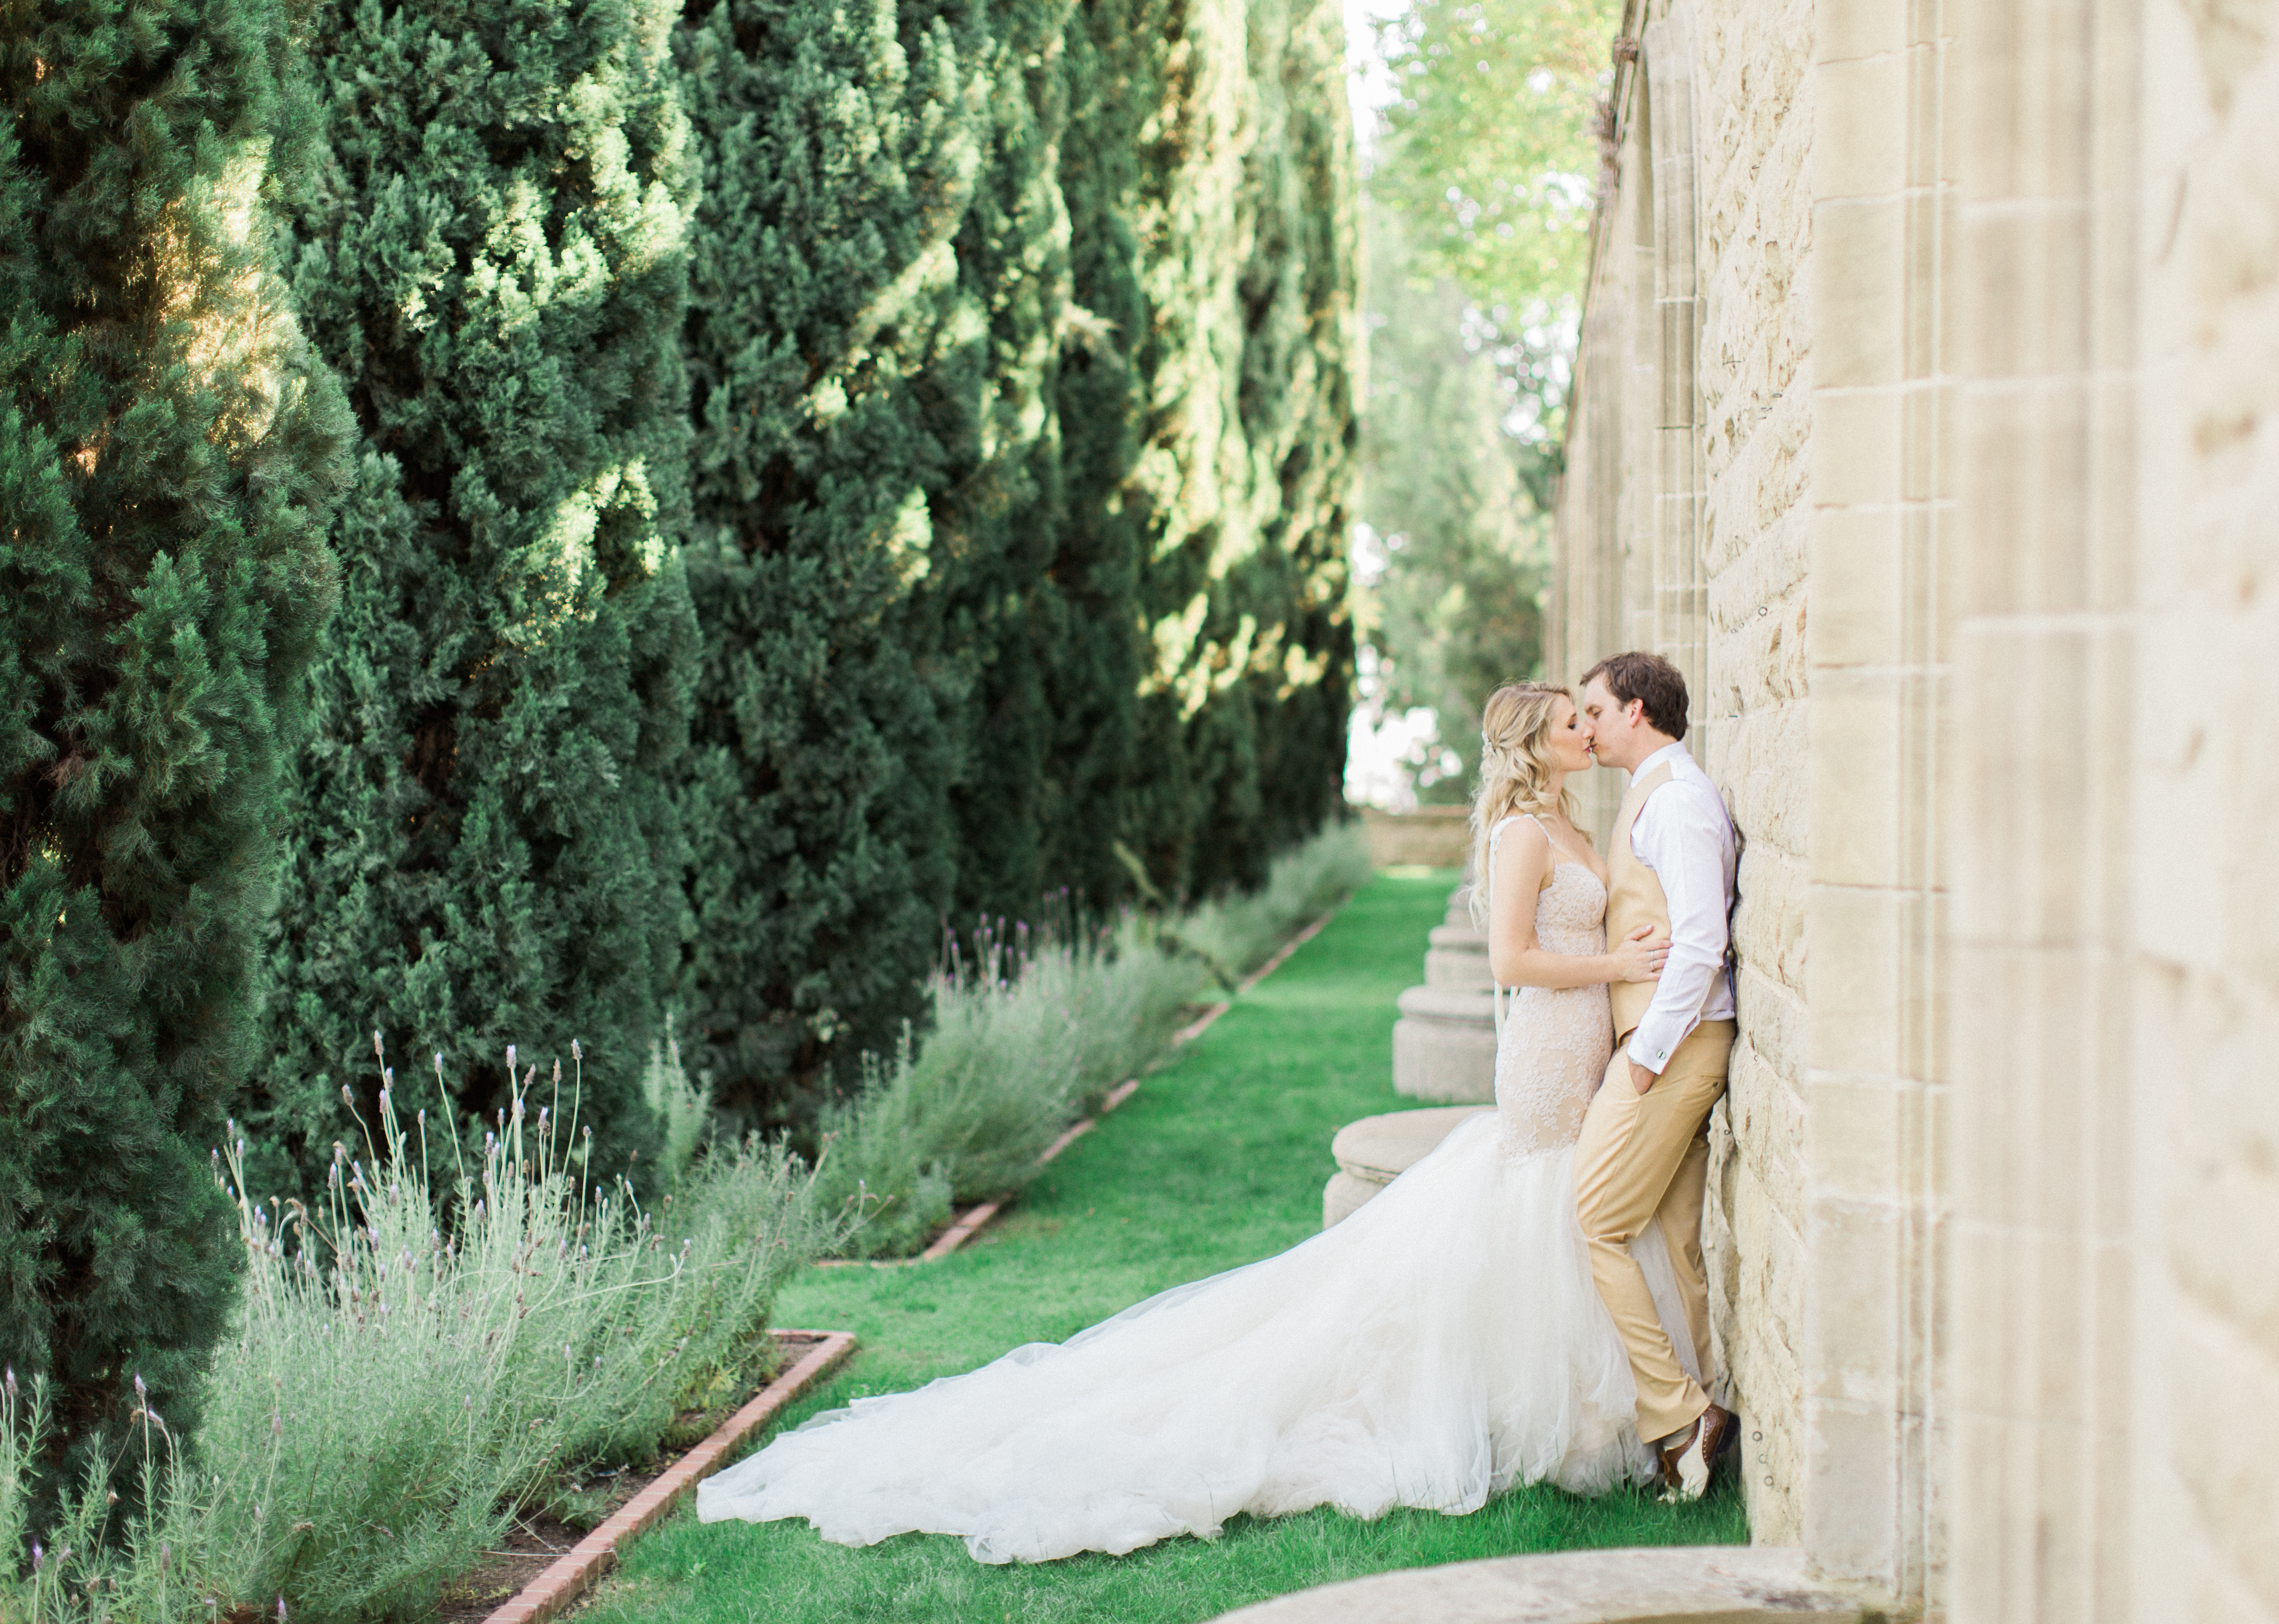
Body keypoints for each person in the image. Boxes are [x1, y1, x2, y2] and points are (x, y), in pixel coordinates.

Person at [692, 681, 1683, 1563]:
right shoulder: (1520, 835)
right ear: (1530, 745)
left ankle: (1584, 1415)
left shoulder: (1575, 828)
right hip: (1549, 1054)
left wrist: (1635, 942)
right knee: (1546, 1202)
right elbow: (1512, 961)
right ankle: (1576, 1421)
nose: (1585, 733)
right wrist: (1615, 969)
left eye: (1587, 720)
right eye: (1568, 723)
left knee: (1557, 1214)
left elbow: (1588, 921)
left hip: (1583, 1042)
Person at [1573, 651, 1741, 1499]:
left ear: (1636, 710)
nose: (1587, 726)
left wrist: (1644, 1055)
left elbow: (1703, 943)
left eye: (1595, 711)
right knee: (1674, 1240)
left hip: (1670, 1049)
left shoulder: (1676, 803)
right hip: (1668, 1044)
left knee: (1596, 1221)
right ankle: (1702, 1422)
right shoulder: (1658, 792)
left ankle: (1679, 1414)